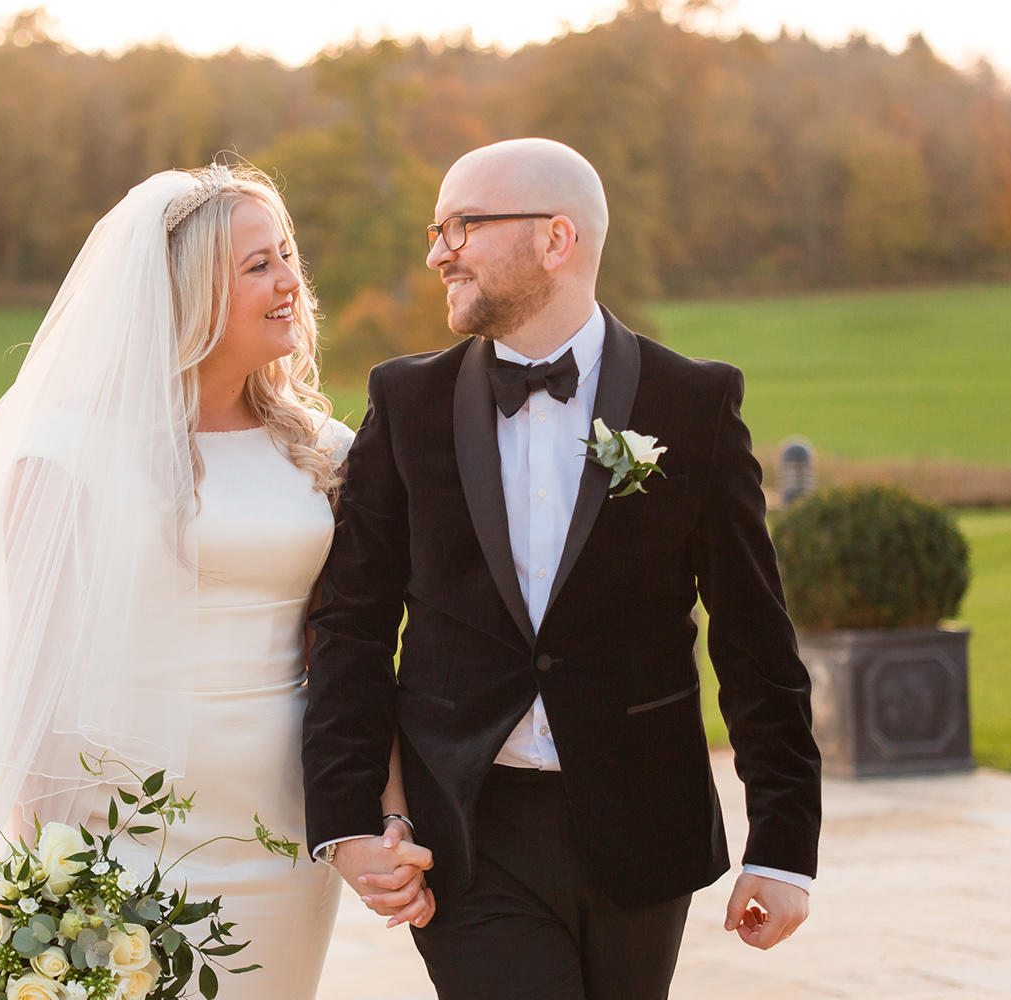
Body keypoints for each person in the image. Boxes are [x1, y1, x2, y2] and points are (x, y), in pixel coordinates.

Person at [0, 163, 430, 1000]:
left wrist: (381, 816)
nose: (291, 282)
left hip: (283, 822)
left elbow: (350, 655)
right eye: (258, 265)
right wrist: (51, 880)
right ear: (186, 294)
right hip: (123, 825)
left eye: (288, 254)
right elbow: (35, 685)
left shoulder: (326, 450)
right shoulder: (66, 458)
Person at [302, 138, 823, 999]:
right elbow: (351, 625)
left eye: (462, 227)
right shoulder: (406, 403)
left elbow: (755, 637)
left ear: (557, 239)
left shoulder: (691, 403)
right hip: (466, 831)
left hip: (643, 823)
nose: (438, 253)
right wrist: (354, 820)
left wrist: (784, 847)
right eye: (436, 230)